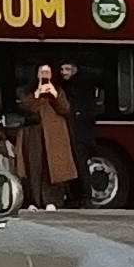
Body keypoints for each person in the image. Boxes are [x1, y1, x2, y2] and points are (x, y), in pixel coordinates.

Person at [15, 64, 78, 210]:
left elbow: (66, 109)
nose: (45, 74)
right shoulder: (28, 91)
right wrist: (37, 94)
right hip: (34, 134)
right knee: (34, 166)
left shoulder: (59, 90)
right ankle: (35, 201)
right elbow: (24, 107)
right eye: (42, 71)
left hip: (54, 135)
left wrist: (54, 94)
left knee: (53, 168)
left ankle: (52, 201)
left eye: (47, 72)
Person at [57, 60, 96, 208]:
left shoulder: (82, 87)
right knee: (71, 165)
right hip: (71, 132)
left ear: (75, 69)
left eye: (67, 69)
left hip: (80, 134)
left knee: (80, 166)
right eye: (62, 69)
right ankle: (75, 197)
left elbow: (87, 111)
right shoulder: (64, 87)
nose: (64, 72)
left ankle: (86, 197)